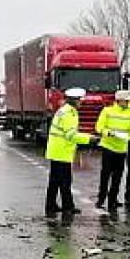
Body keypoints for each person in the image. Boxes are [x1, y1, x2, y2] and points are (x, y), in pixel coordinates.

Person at [45, 87, 96, 217]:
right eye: (80, 100)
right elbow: (70, 135)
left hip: (57, 150)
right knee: (65, 181)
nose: (81, 103)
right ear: (74, 101)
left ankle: (51, 205)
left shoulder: (64, 110)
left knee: (55, 181)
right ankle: (68, 206)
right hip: (62, 151)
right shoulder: (69, 114)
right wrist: (89, 138)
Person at [94, 89, 130, 211]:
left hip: (121, 149)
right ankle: (101, 199)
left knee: (117, 177)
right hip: (108, 147)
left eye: (128, 101)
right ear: (119, 101)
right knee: (105, 175)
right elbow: (99, 127)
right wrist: (108, 133)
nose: (128, 103)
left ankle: (112, 200)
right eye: (126, 101)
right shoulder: (107, 111)